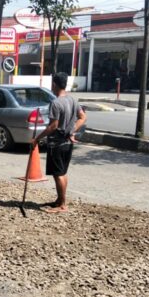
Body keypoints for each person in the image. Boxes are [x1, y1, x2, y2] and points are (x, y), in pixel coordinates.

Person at [30, 72, 86, 213]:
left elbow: (53, 126)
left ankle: (62, 205)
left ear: (54, 84)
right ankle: (60, 200)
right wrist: (72, 130)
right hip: (68, 143)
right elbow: (82, 117)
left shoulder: (55, 103)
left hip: (57, 144)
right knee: (62, 172)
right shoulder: (72, 100)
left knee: (58, 174)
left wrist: (37, 138)